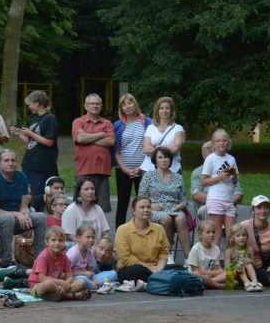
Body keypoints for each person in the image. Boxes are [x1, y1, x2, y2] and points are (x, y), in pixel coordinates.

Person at [0, 149, 48, 266]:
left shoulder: (22, 177)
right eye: (6, 160)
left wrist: (26, 215)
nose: (10, 163)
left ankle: (39, 260)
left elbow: (24, 206)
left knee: (40, 217)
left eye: (13, 160)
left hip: (14, 218)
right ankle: (7, 261)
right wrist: (17, 214)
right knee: (8, 218)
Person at [138, 146, 190, 257]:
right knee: (165, 218)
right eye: (160, 157)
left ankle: (189, 258)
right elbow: (141, 197)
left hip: (174, 209)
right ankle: (167, 254)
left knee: (181, 218)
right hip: (155, 210)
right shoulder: (148, 176)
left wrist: (181, 205)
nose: (164, 160)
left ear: (170, 160)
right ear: (155, 161)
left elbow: (184, 200)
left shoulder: (178, 177)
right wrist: (151, 205)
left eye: (166, 157)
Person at [11, 90, 59, 211]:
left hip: (41, 166)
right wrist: (19, 134)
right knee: (27, 195)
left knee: (37, 197)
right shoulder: (35, 119)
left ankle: (38, 217)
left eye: (30, 104)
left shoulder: (50, 119)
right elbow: (31, 142)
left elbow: (49, 142)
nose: (29, 107)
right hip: (29, 164)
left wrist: (30, 133)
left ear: (38, 103)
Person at [112, 94, 152, 228]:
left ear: (135, 104)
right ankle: (120, 235)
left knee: (143, 204)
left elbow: (151, 146)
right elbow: (115, 150)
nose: (127, 106)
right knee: (122, 204)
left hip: (143, 169)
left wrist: (141, 168)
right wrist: (124, 169)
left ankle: (143, 232)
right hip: (123, 170)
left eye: (130, 103)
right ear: (121, 109)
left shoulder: (148, 122)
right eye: (124, 105)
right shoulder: (118, 125)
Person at [71, 94, 115, 213]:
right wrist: (101, 134)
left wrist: (88, 138)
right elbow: (80, 138)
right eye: (92, 103)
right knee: (80, 207)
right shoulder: (78, 122)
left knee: (101, 209)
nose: (95, 106)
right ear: (85, 106)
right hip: (83, 170)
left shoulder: (107, 123)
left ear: (101, 106)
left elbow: (111, 141)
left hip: (102, 171)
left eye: (97, 104)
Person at [114, 196, 168, 290]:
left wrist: (160, 267)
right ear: (134, 211)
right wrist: (150, 268)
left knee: (177, 268)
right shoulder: (122, 230)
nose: (146, 210)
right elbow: (126, 257)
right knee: (137, 270)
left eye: (148, 207)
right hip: (130, 269)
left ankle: (154, 282)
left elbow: (164, 252)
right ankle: (162, 280)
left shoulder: (159, 229)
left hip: (156, 268)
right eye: (142, 207)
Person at [200, 128, 239, 249]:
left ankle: (230, 259)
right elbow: (204, 181)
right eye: (218, 141)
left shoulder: (231, 159)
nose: (221, 143)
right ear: (213, 143)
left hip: (229, 200)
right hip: (216, 199)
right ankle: (214, 259)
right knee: (217, 234)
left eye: (224, 140)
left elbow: (235, 181)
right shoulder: (210, 159)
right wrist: (220, 177)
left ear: (228, 142)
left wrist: (233, 174)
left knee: (232, 235)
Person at [28, 226, 89, 302]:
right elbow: (42, 278)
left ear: (64, 242)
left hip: (58, 286)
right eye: (53, 240)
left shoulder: (64, 257)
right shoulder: (43, 257)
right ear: (47, 242)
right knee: (48, 284)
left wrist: (65, 284)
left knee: (81, 282)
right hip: (39, 286)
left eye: (60, 240)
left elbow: (70, 277)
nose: (57, 243)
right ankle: (71, 296)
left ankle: (55, 295)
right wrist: (61, 283)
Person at [191, 140, 243, 221]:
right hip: (207, 206)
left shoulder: (228, 169)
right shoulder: (197, 172)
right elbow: (197, 195)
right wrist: (218, 201)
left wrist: (225, 203)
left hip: (228, 204)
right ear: (203, 156)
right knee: (208, 209)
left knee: (230, 210)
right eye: (210, 155)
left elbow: (238, 194)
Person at [141, 97, 185, 173]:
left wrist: (157, 147)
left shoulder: (178, 128)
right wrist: (167, 148)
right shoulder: (151, 128)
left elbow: (174, 148)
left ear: (171, 111)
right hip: (150, 168)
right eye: (161, 108)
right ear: (157, 111)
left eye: (167, 108)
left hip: (172, 169)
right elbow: (146, 149)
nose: (164, 111)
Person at [62, 176, 111, 240]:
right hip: (77, 245)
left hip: (97, 246)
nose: (90, 192)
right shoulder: (71, 210)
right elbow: (69, 236)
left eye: (92, 189)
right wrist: (82, 245)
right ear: (79, 192)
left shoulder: (98, 209)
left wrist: (101, 244)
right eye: (86, 189)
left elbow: (105, 233)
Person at [187, 220, 225, 289]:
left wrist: (218, 272)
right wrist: (211, 273)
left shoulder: (216, 249)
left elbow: (215, 267)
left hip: (210, 276)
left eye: (213, 232)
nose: (211, 235)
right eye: (208, 232)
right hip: (199, 275)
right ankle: (218, 285)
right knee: (196, 274)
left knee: (229, 273)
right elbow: (194, 269)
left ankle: (208, 283)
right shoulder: (196, 249)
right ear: (200, 235)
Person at [224, 224, 261, 291]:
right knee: (241, 265)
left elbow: (255, 266)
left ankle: (255, 282)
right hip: (234, 276)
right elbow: (226, 268)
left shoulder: (250, 250)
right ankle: (247, 283)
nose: (241, 238)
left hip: (247, 275)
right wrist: (236, 266)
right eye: (238, 236)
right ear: (232, 237)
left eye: (243, 235)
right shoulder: (229, 251)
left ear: (247, 236)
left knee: (248, 264)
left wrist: (250, 261)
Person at [66, 224, 98, 291]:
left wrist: (90, 274)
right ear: (79, 237)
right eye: (88, 237)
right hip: (75, 278)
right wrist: (83, 274)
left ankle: (92, 284)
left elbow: (90, 270)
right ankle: (95, 287)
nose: (91, 240)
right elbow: (66, 274)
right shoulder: (73, 254)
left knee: (113, 273)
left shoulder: (90, 252)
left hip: (86, 277)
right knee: (83, 279)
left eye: (93, 237)